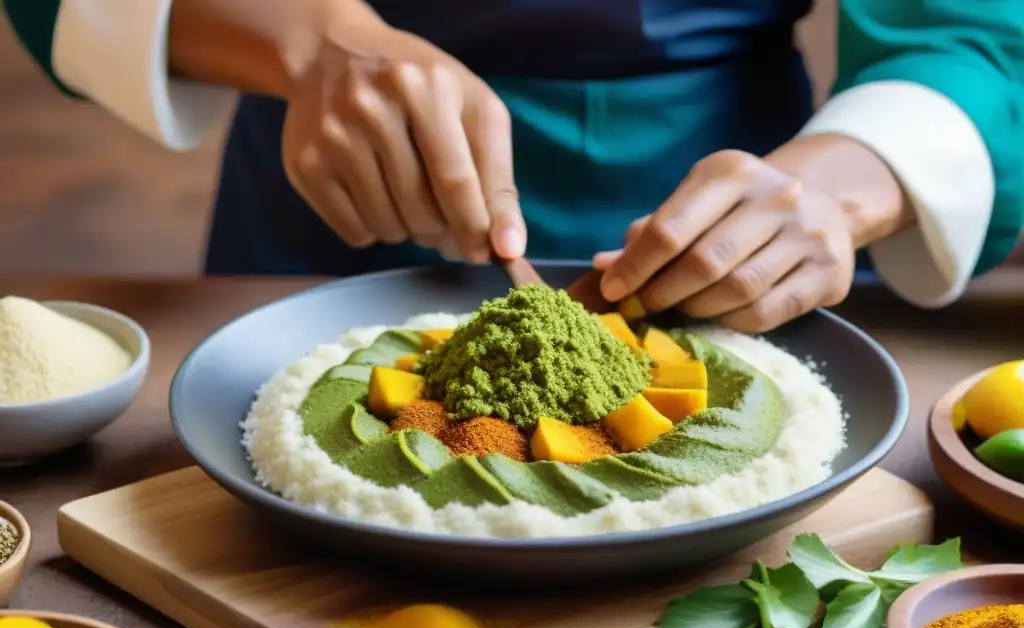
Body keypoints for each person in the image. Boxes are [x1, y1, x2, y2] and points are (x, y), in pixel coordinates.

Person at [4, 0, 1022, 331]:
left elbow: (971, 30)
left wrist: (834, 194)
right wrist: (303, 38)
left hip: (733, 212)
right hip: (314, 223)